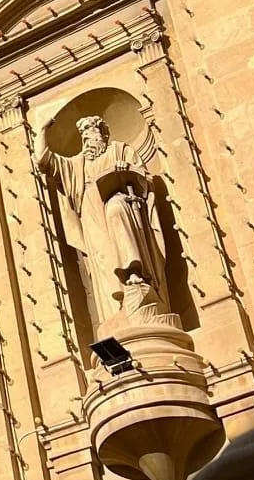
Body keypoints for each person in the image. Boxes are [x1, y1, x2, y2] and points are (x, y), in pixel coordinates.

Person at [39, 114, 168, 326]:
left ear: (103, 134)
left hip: (120, 203)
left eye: (92, 133)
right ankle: (115, 309)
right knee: (102, 258)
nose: (89, 139)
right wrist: (43, 130)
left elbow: (145, 180)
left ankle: (135, 275)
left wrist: (125, 170)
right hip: (91, 215)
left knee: (116, 211)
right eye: (85, 136)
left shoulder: (120, 150)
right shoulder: (76, 164)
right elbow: (44, 161)